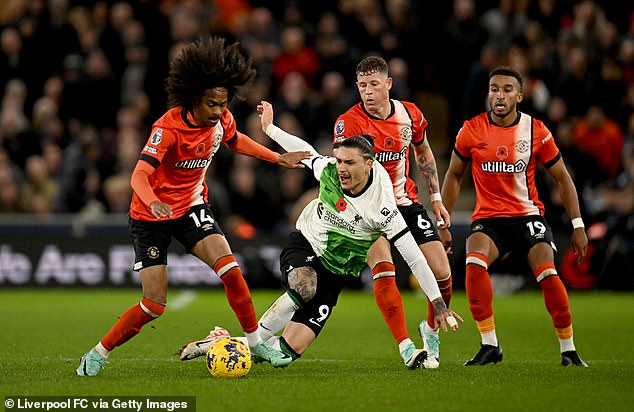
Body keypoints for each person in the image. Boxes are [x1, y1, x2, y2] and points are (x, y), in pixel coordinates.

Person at [76, 37, 310, 376]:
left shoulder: (221, 120)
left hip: (191, 208)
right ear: (194, 98)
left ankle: (256, 342)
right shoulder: (168, 127)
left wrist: (277, 157)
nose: (218, 111)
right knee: (154, 305)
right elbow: (139, 175)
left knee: (231, 270)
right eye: (212, 104)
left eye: (223, 103)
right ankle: (98, 353)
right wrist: (153, 200)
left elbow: (235, 139)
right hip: (151, 216)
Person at [180, 101, 462, 369]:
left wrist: (438, 304)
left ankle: (223, 342)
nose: (341, 169)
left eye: (350, 163)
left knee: (284, 354)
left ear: (369, 165)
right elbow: (304, 151)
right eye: (339, 161)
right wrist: (270, 129)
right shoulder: (329, 170)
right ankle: (255, 339)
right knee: (305, 288)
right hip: (306, 245)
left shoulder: (382, 207)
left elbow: (414, 258)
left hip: (335, 273)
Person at [440, 66, 588, 367]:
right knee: (473, 264)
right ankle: (490, 345)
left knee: (548, 273)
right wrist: (443, 222)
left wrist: (578, 225)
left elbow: (563, 178)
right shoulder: (471, 129)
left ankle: (568, 350)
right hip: (490, 219)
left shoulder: (536, 131)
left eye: (507, 89)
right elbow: (454, 175)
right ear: (488, 94)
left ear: (519, 96)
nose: (499, 95)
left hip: (527, 216)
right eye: (494, 89)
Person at [332, 56, 454, 369]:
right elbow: (343, 171)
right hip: (367, 208)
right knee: (384, 269)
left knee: (442, 272)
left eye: (374, 84)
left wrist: (436, 197)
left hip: (404, 202)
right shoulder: (350, 123)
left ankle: (430, 329)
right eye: (362, 86)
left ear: (388, 83)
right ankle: (406, 348)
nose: (368, 92)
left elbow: (423, 151)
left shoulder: (410, 114)